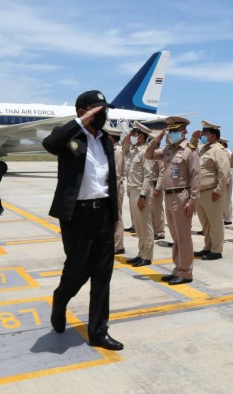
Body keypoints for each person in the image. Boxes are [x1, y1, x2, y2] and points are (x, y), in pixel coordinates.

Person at [42, 90, 123, 351]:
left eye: (104, 111)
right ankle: (60, 299)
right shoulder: (69, 137)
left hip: (103, 215)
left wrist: (114, 217)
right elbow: (50, 144)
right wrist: (81, 121)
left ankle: (98, 331)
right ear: (82, 111)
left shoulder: (106, 141)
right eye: (98, 111)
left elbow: (109, 181)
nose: (103, 115)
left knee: (103, 274)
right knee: (77, 270)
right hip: (77, 216)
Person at [145, 116, 200, 284]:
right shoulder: (168, 150)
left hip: (182, 197)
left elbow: (196, 177)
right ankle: (178, 269)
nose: (171, 134)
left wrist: (193, 201)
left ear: (184, 132)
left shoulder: (190, 150)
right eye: (169, 131)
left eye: (175, 131)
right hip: (168, 197)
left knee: (183, 237)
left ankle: (186, 272)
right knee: (176, 237)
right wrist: (156, 140)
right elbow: (149, 155)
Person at [191, 120, 230, 261]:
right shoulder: (204, 149)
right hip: (200, 192)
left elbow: (224, 172)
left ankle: (216, 250)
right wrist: (194, 138)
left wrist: (219, 191)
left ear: (213, 136)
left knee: (215, 223)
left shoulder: (218, 150)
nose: (202, 136)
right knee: (205, 223)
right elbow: (189, 150)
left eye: (205, 134)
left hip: (211, 192)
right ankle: (208, 247)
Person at [123, 122, 155, 267]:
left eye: (135, 134)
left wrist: (143, 196)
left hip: (141, 192)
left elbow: (148, 176)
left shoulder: (146, 151)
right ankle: (141, 253)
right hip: (132, 190)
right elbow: (123, 153)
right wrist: (128, 141)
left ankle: (147, 256)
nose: (133, 136)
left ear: (142, 136)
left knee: (145, 225)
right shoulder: (135, 150)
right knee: (138, 226)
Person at [103, 124, 126, 255]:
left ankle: (118, 246)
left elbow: (116, 175)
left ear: (111, 137)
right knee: (113, 216)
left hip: (116, 188)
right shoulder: (113, 149)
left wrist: (111, 191)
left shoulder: (117, 151)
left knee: (117, 216)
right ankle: (115, 243)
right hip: (113, 187)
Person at [219, 138, 233, 226]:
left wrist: (227, 179)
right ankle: (223, 217)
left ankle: (227, 218)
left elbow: (230, 167)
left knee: (226, 199)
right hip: (221, 178)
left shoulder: (228, 152)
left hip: (227, 178)